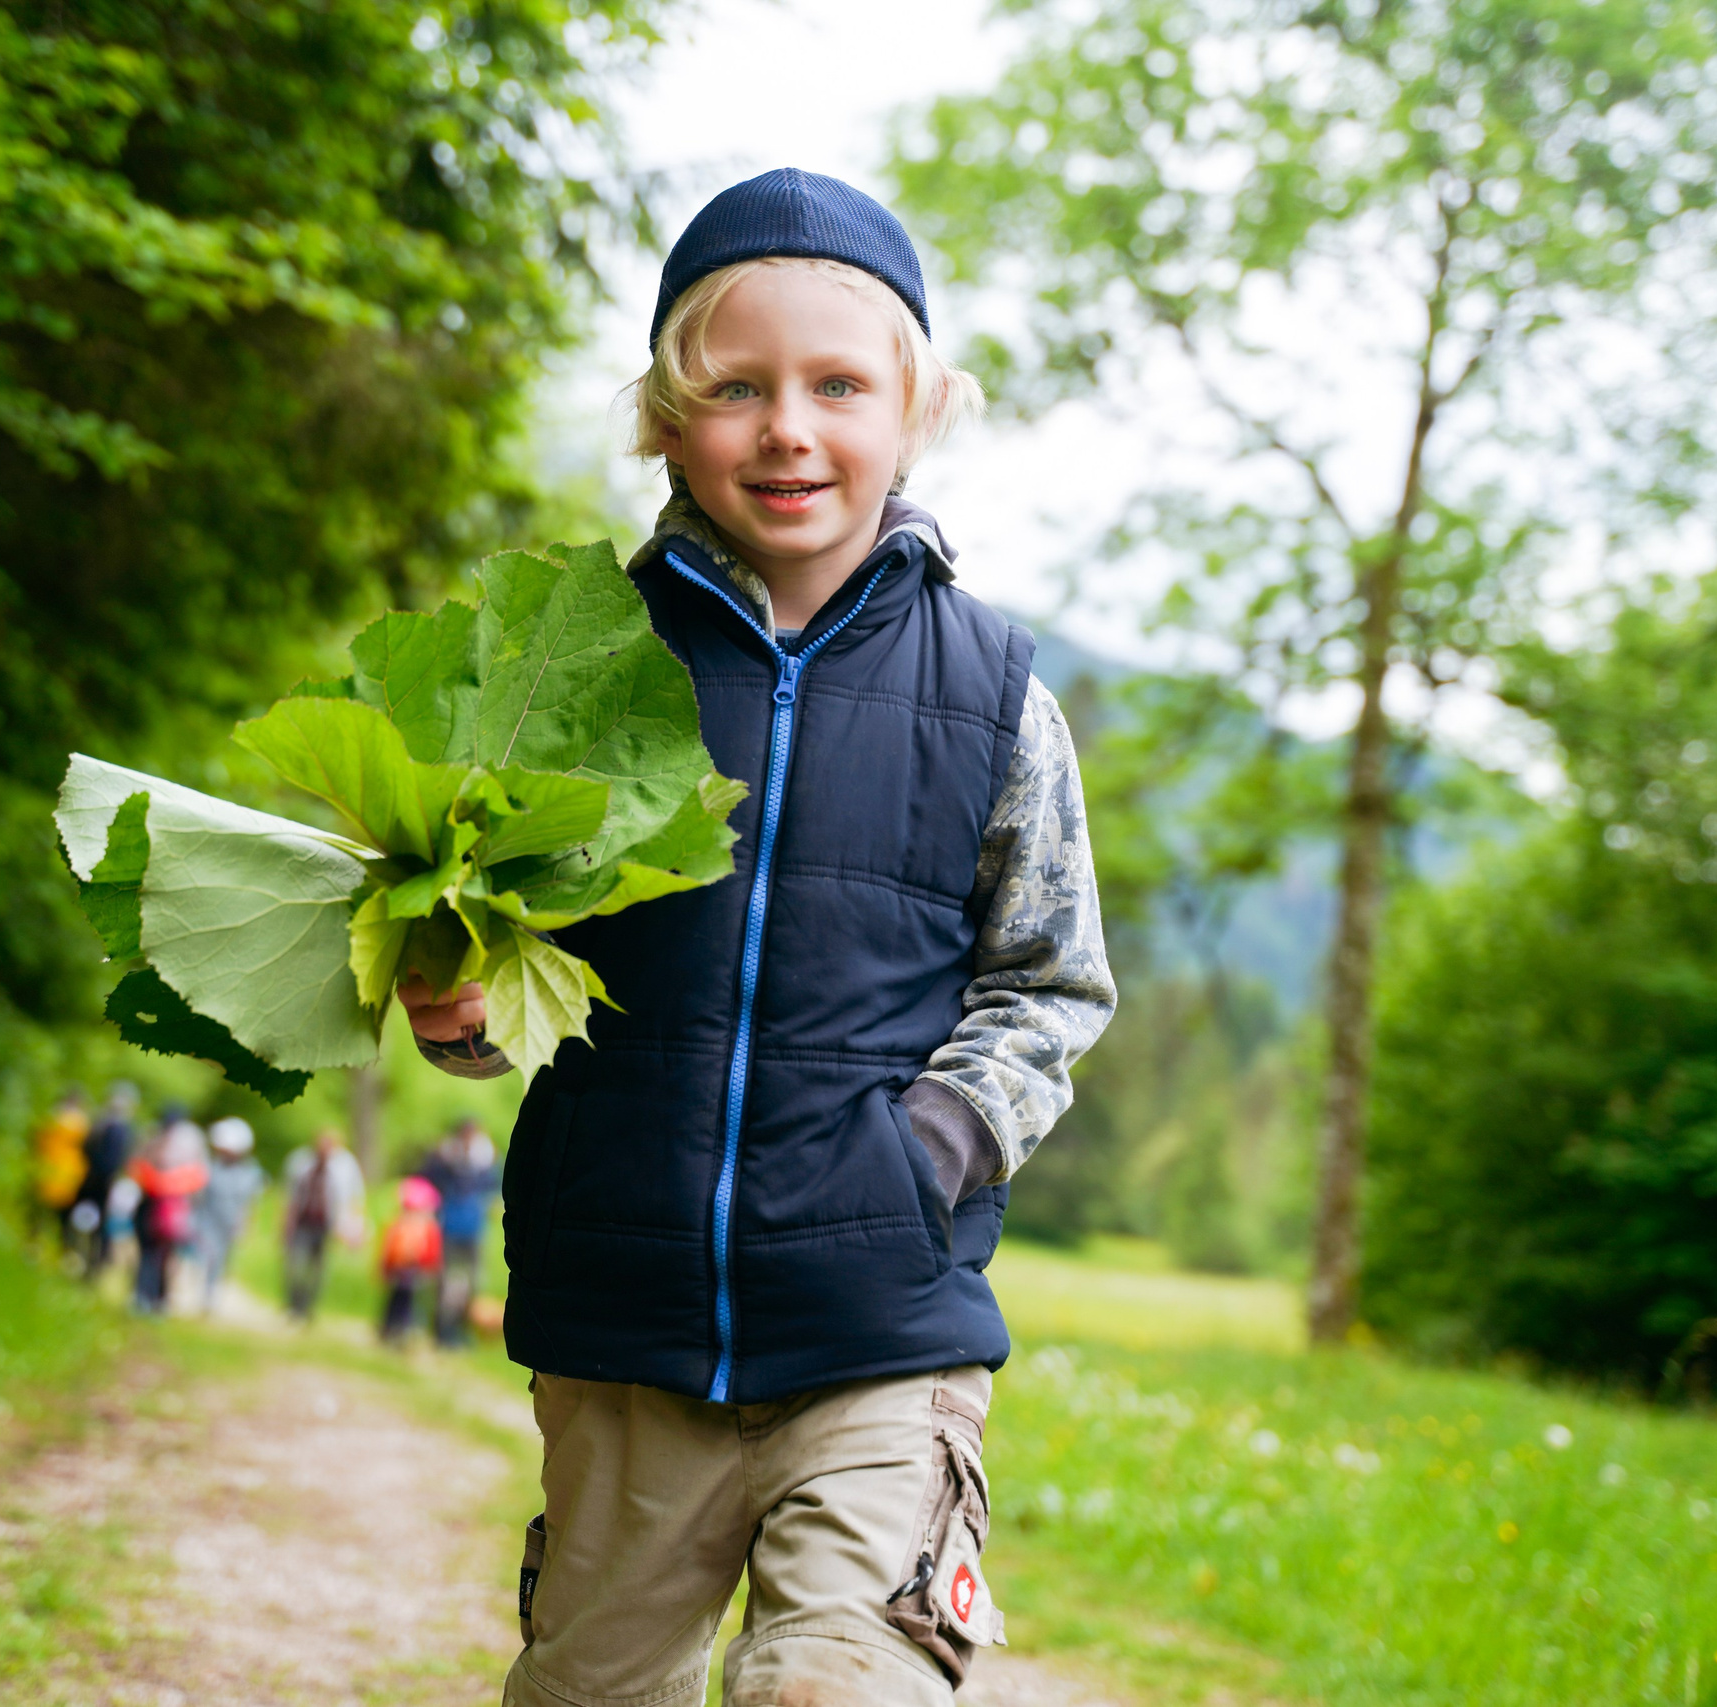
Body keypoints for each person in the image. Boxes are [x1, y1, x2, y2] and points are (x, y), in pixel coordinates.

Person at [400, 170, 1114, 1707]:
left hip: (878, 1324)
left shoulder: (997, 695)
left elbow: (1047, 981)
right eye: (736, 388)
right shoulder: (574, 672)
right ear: (667, 422)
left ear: (913, 408)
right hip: (624, 1319)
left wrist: (927, 1143)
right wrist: (456, 1004)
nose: (790, 426)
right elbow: (493, 940)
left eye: (839, 384)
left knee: (838, 1685)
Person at [418, 1119, 500, 1347]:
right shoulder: (444, 1161)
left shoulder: (485, 1162)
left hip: (473, 1229)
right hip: (449, 1227)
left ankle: (462, 1330)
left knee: (472, 1282)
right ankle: (441, 1330)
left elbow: (492, 1188)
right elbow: (427, 1181)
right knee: (443, 1282)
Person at [128, 1102, 208, 1315]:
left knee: (161, 1256)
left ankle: (154, 1298)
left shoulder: (180, 1141)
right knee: (153, 1254)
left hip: (169, 1207)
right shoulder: (155, 1138)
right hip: (157, 1205)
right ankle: (147, 1297)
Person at [280, 1124, 366, 1321]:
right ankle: (294, 1304)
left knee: (319, 1269)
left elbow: (355, 1197)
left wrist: (353, 1228)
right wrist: (285, 1222)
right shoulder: (300, 1161)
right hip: (302, 1221)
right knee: (295, 1265)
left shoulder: (345, 1165)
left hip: (327, 1225)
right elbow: (289, 1194)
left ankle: (308, 1308)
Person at [191, 1116, 267, 1315]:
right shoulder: (210, 1167)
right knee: (207, 1255)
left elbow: (249, 1202)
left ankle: (210, 1297)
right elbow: (199, 1196)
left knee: (221, 1260)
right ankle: (201, 1294)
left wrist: (245, 1223)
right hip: (207, 1220)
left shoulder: (250, 1173)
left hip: (229, 1222)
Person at [72, 1081, 139, 1277]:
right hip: (95, 1180)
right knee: (85, 1219)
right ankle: (81, 1257)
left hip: (107, 1183)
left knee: (103, 1226)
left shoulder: (123, 1129)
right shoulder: (103, 1123)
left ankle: (95, 1263)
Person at [376, 1175, 443, 1346]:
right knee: (396, 1301)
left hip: (416, 1272)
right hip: (399, 1271)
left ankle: (402, 1332)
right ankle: (389, 1329)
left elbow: (432, 1253)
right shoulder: (399, 1226)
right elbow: (389, 1250)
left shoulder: (428, 1229)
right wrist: (385, 1268)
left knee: (409, 1303)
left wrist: (430, 1269)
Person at [30, 1087, 91, 1245]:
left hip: (60, 1165)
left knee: (52, 1203)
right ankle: (43, 1238)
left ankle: (41, 1237)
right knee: (49, 1202)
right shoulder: (77, 1120)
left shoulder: (61, 1116)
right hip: (60, 1164)